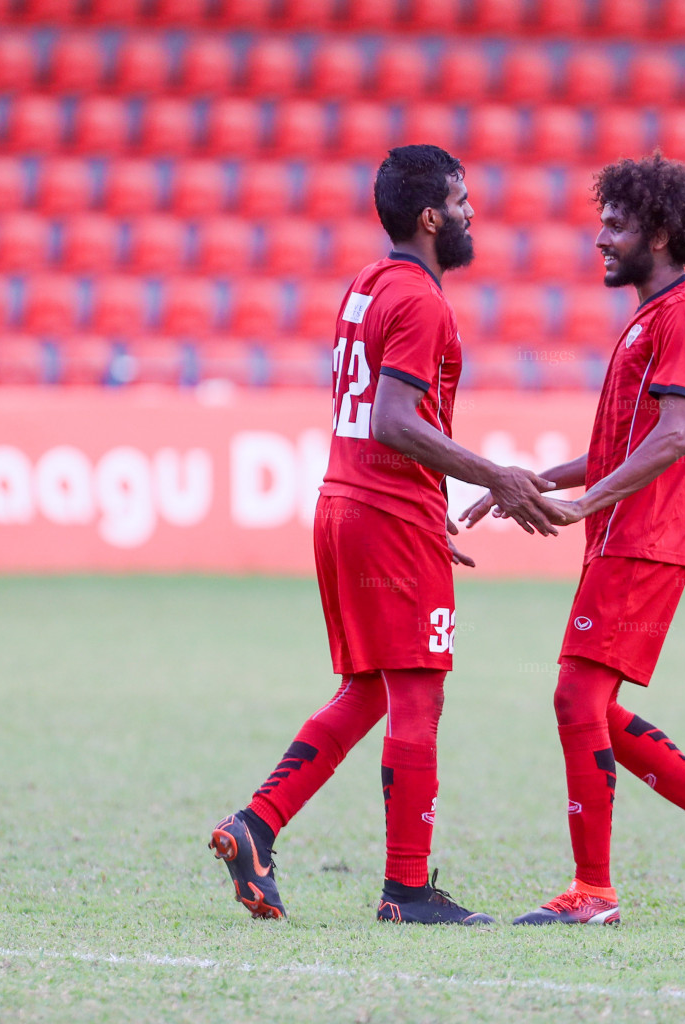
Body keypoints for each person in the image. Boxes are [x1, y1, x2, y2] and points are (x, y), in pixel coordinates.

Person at [209, 144, 564, 926]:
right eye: (463, 201)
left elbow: (374, 417)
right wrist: (493, 476)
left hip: (346, 504)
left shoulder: (365, 287)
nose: (473, 214)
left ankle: (256, 825)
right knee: (418, 694)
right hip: (381, 517)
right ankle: (406, 889)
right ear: (431, 216)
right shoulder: (424, 303)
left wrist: (424, 494)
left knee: (371, 688)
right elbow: (396, 418)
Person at [463, 154, 685, 926]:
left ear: (663, 233)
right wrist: (538, 481)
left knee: (576, 696)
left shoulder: (684, 316)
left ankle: (595, 891)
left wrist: (589, 504)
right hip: (625, 531)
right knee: (588, 706)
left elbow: (674, 438)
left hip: (645, 535)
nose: (599, 239)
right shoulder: (656, 315)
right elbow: (627, 442)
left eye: (616, 225)